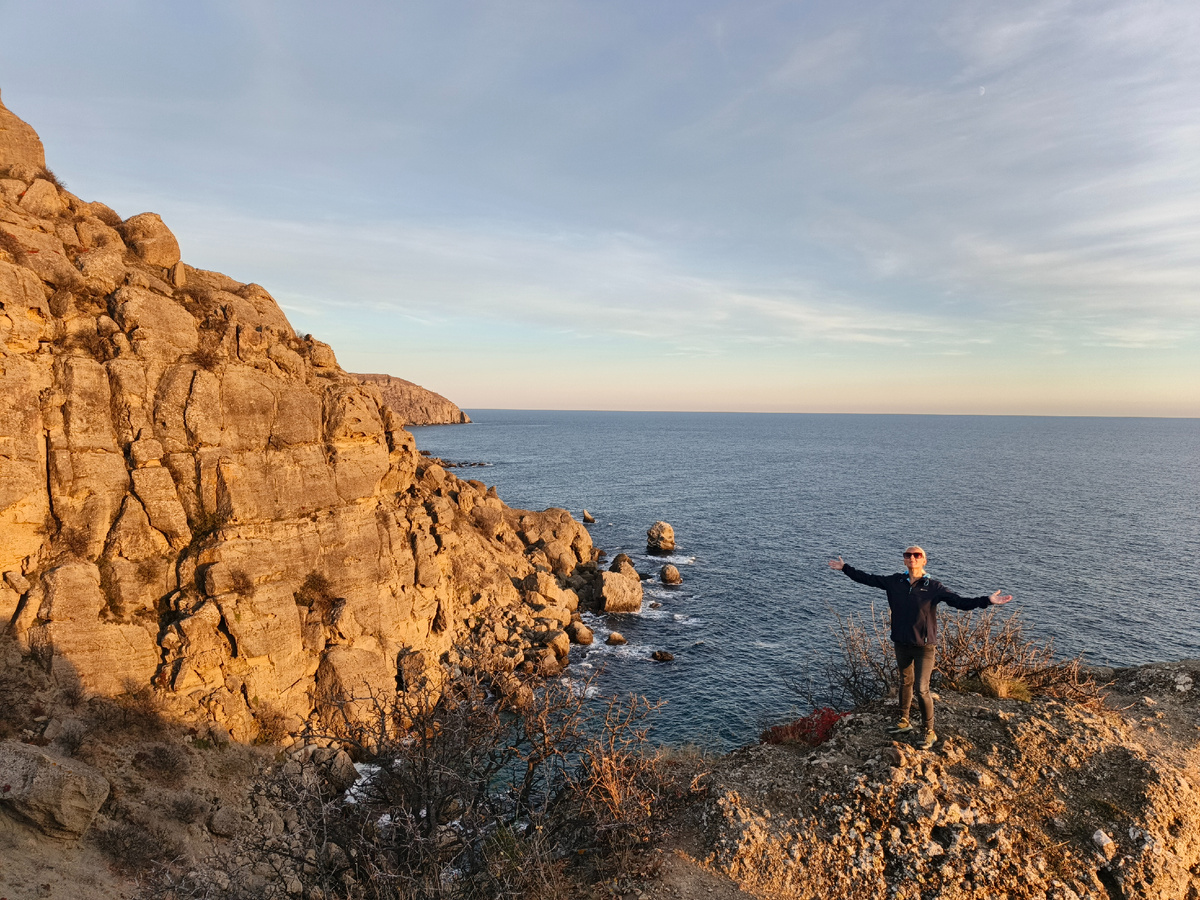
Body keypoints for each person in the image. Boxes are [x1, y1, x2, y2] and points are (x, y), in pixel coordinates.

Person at [828, 546, 1012, 750]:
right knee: (905, 682)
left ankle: (929, 731)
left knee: (922, 689)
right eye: (908, 555)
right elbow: (868, 578)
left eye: (917, 555)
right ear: (904, 560)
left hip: (924, 647)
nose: (912, 558)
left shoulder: (933, 587)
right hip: (901, 642)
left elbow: (960, 602)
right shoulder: (894, 581)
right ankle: (903, 721)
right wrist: (845, 568)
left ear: (924, 560)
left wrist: (987, 600)